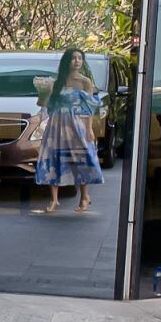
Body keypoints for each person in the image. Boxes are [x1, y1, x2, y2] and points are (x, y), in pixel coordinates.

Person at [34, 46, 104, 213]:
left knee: (81, 158)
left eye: (80, 58)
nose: (77, 61)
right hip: (56, 125)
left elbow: (89, 108)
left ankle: (84, 197)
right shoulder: (55, 82)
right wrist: (43, 92)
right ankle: (54, 200)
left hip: (76, 125)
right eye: (73, 58)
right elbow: (45, 105)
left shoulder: (85, 82)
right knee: (54, 159)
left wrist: (89, 129)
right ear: (67, 61)